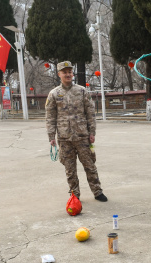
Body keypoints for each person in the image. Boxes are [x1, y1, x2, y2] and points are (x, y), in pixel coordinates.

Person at [46, 61, 107, 203]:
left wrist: (92, 132)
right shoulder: (54, 94)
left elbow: (90, 113)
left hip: (82, 136)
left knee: (90, 165)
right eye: (64, 72)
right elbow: (50, 116)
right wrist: (51, 136)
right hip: (64, 138)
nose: (68, 74)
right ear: (59, 74)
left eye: (70, 71)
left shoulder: (82, 91)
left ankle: (97, 191)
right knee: (70, 169)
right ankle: (74, 195)